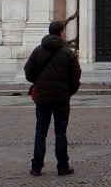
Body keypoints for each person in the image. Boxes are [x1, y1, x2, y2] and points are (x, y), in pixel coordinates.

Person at [24, 20, 81, 177]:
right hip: (61, 98)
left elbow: (28, 72)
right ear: (61, 32)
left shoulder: (38, 51)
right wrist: (68, 91)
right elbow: (76, 76)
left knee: (40, 132)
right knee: (60, 132)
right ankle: (62, 166)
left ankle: (36, 167)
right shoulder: (68, 53)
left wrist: (39, 83)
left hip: (42, 98)